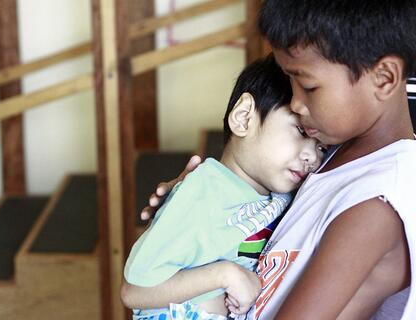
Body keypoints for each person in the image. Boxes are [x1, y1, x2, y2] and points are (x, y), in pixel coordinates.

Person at [135, 1, 416, 319]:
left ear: (384, 78)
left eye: (308, 86)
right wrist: (197, 201)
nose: (296, 101)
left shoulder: (377, 204)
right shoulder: (331, 151)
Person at [121, 55, 328, 319]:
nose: (312, 156)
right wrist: (224, 274)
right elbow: (134, 291)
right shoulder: (203, 192)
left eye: (322, 147)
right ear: (243, 117)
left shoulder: (281, 195)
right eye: (300, 131)